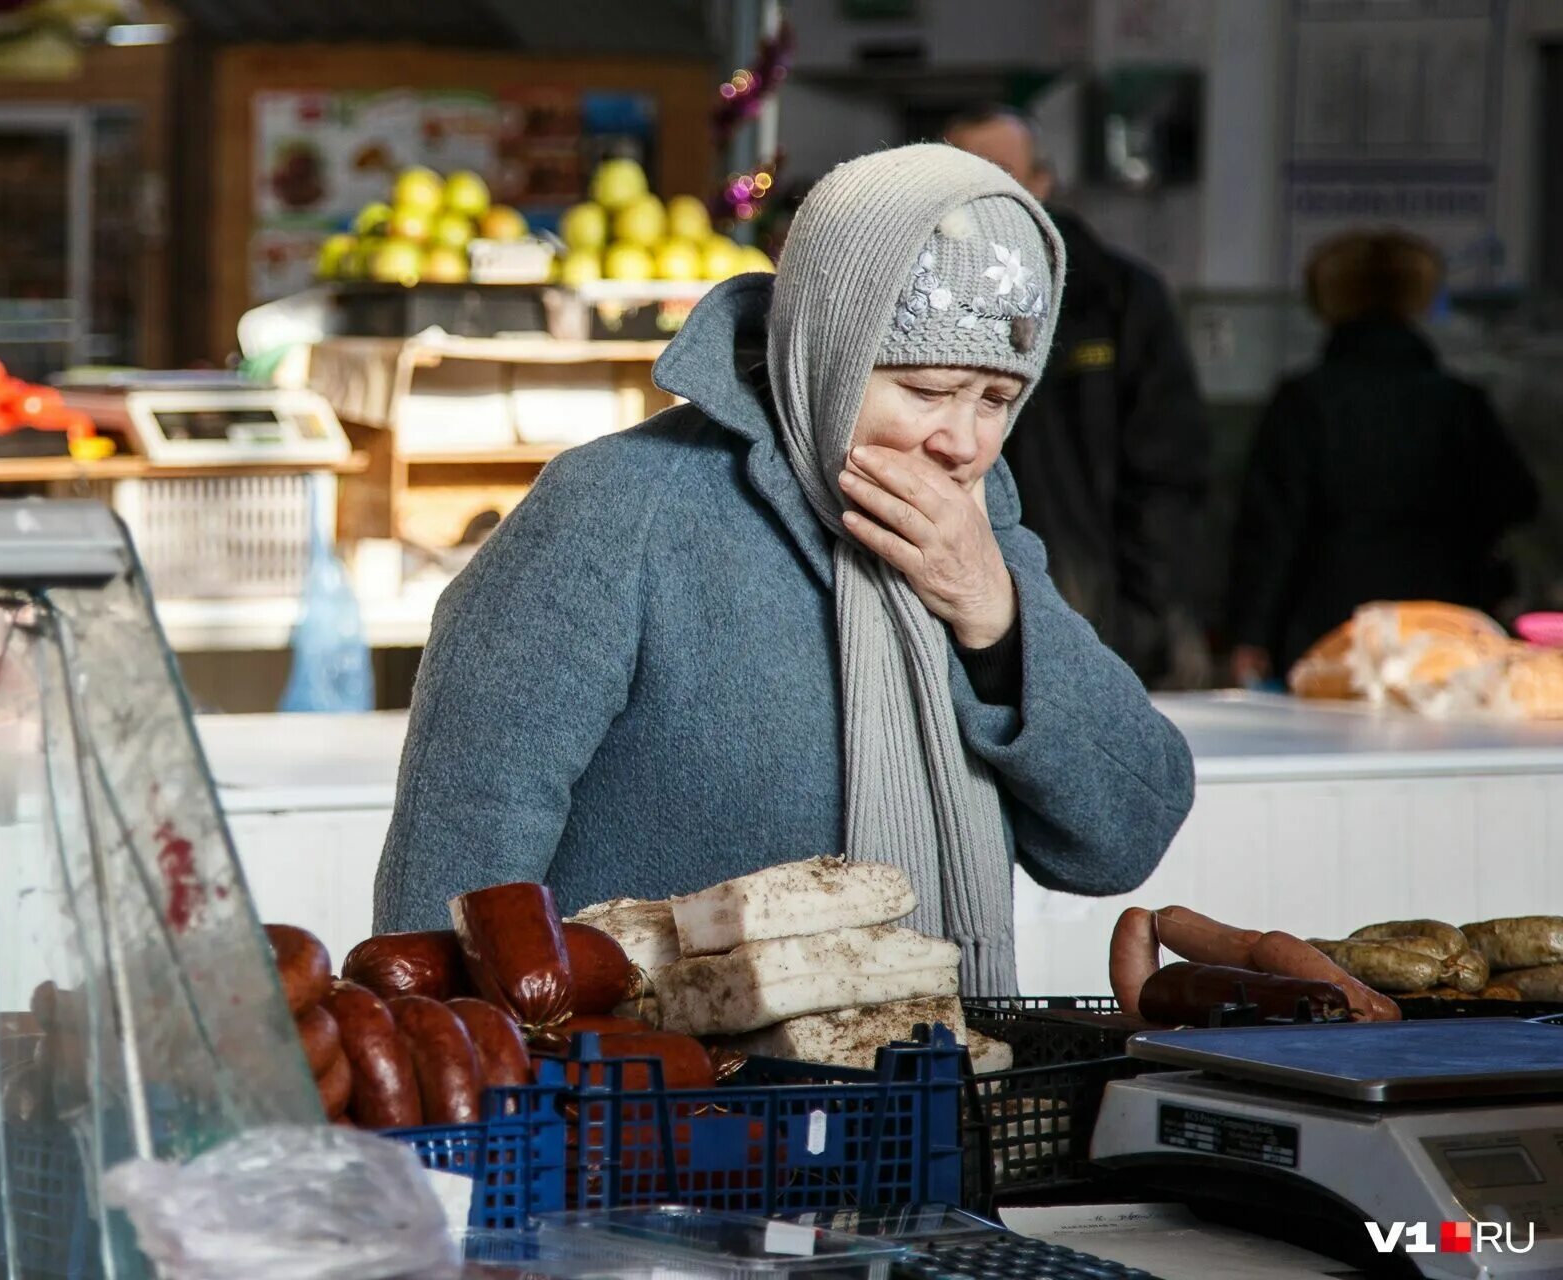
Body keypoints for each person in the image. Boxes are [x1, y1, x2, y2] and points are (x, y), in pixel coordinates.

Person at [373, 144, 1194, 996]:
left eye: (995, 400)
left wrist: (999, 617)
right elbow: (458, 857)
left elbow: (1125, 836)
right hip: (664, 1108)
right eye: (926, 389)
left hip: (931, 1102)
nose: (963, 440)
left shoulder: (978, 531)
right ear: (829, 350)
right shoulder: (621, 511)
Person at [944, 106, 1211, 688]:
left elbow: (1169, 471)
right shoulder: (927, 301)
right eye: (964, 172)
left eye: (1000, 171)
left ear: (1042, 182)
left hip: (1101, 613)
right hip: (966, 615)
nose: (985, 192)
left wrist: (1142, 620)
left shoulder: (1116, 299)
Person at [1227, 230, 1539, 685]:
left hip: (1329, 626)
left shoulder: (1306, 400)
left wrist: (1249, 634)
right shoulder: (1457, 402)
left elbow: (1271, 530)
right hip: (1442, 621)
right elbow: (1517, 500)